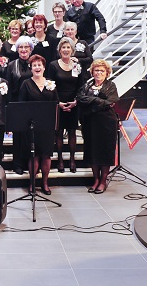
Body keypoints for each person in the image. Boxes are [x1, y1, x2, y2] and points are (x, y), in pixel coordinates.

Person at [76, 59, 119, 194]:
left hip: (107, 123)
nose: (98, 73)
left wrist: (92, 101)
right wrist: (99, 101)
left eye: (101, 70)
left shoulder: (111, 85)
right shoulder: (87, 86)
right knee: (92, 151)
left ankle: (103, 181)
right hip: (90, 123)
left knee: (105, 151)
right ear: (92, 72)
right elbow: (80, 98)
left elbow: (111, 101)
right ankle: (95, 180)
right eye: (96, 70)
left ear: (107, 73)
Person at [18, 54, 58, 195]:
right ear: (31, 67)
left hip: (47, 125)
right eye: (34, 65)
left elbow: (56, 103)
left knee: (46, 155)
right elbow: (21, 105)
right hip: (31, 125)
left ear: (43, 67)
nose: (37, 67)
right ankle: (32, 183)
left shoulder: (50, 83)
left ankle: (45, 183)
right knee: (33, 155)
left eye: (39, 65)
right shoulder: (26, 83)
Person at [47, 38, 86, 173]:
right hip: (59, 102)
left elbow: (81, 85)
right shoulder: (53, 65)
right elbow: (50, 84)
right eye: (63, 47)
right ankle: (60, 160)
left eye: (68, 47)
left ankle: (72, 160)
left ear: (72, 50)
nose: (66, 50)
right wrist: (58, 102)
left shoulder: (76, 65)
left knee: (72, 132)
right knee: (58, 133)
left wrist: (76, 101)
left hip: (73, 102)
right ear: (59, 50)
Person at [5, 36, 34, 174]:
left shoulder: (35, 63)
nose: (23, 50)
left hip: (32, 103)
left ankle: (30, 163)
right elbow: (8, 87)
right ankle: (17, 164)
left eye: (26, 47)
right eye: (21, 47)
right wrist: (10, 107)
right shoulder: (11, 65)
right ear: (17, 50)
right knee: (18, 136)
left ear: (30, 49)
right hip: (17, 103)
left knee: (30, 136)